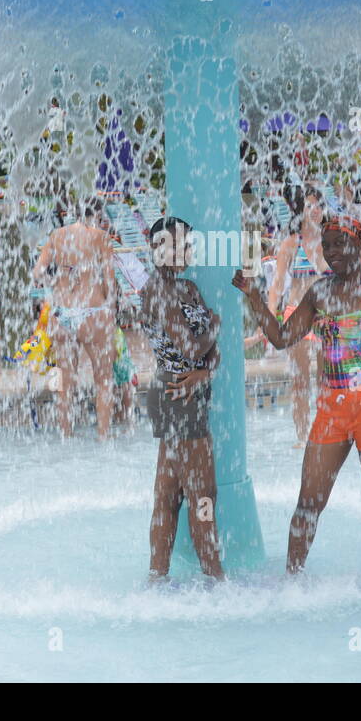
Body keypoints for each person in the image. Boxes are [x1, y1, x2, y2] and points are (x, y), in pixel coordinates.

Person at [234, 215, 361, 575]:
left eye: (341, 243)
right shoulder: (319, 293)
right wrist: (253, 297)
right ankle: (292, 583)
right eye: (328, 245)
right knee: (308, 501)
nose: (333, 252)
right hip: (333, 408)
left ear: (360, 245)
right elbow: (280, 338)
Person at [141, 216, 224, 582]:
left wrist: (205, 370)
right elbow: (193, 348)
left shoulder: (186, 288)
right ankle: (214, 577)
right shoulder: (158, 291)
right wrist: (216, 325)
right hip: (178, 395)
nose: (185, 251)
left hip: (181, 392)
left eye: (188, 245)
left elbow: (210, 355)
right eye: (177, 245)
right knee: (202, 494)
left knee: (170, 493)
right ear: (157, 248)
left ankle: (157, 577)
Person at [30, 201, 117, 439]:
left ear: (73, 212)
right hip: (92, 310)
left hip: (61, 311)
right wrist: (112, 309)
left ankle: (66, 435)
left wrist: (56, 285)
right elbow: (110, 280)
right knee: (103, 378)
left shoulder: (57, 236)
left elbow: (38, 273)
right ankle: (104, 437)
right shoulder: (100, 237)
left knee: (65, 380)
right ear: (98, 214)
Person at [264, 186, 328, 445]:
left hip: (324, 316)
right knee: (300, 381)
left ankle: (326, 431)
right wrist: (269, 319)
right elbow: (277, 285)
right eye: (308, 205)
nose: (313, 210)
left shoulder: (329, 240)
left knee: (327, 379)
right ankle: (303, 436)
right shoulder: (291, 243)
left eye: (317, 205)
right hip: (297, 313)